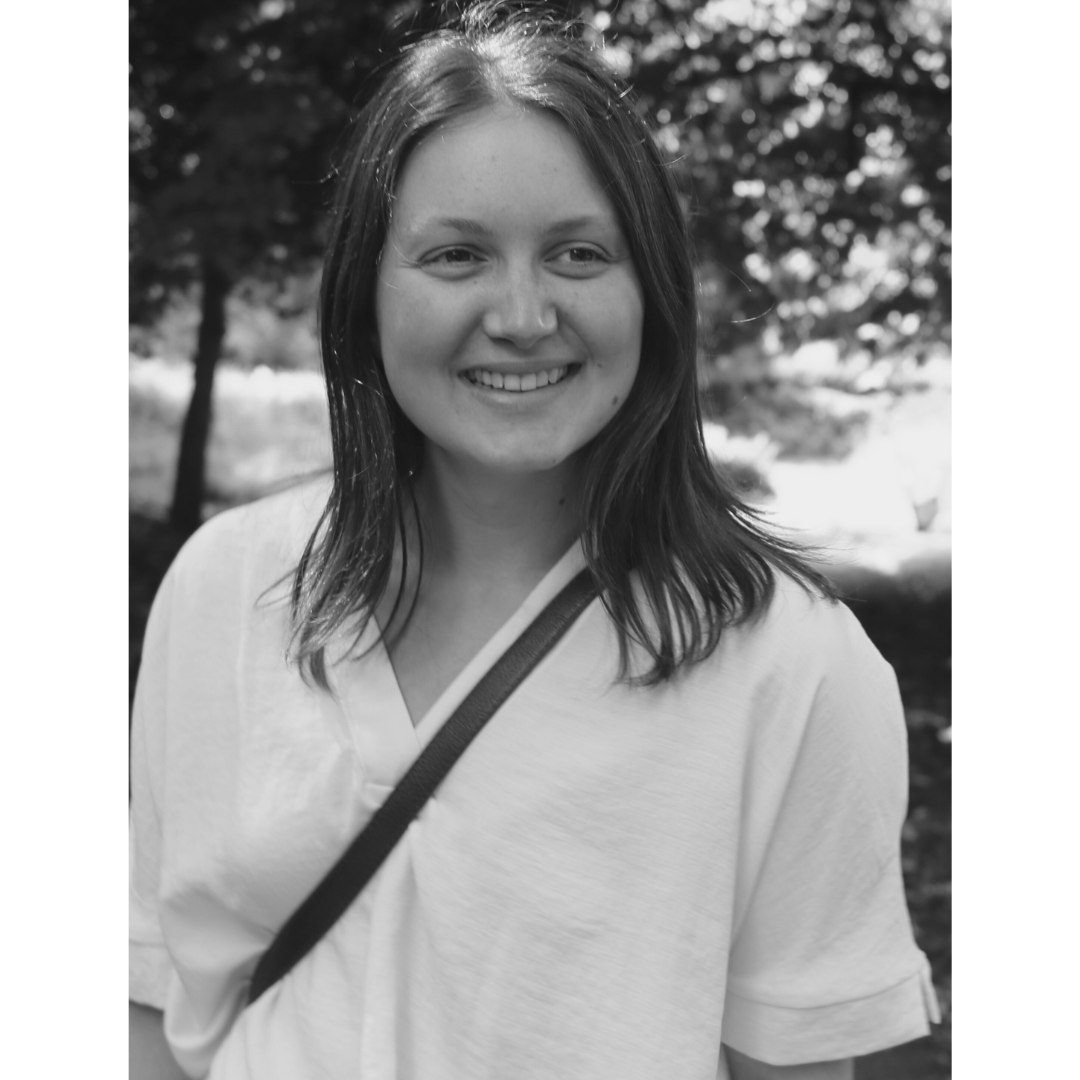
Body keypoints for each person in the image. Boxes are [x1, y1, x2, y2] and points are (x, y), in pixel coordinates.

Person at [129, 5, 940, 1078]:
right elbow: (149, 996)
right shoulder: (226, 588)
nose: (521, 315)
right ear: (366, 290)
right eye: (456, 254)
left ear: (651, 291)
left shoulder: (790, 667)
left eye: (579, 253)